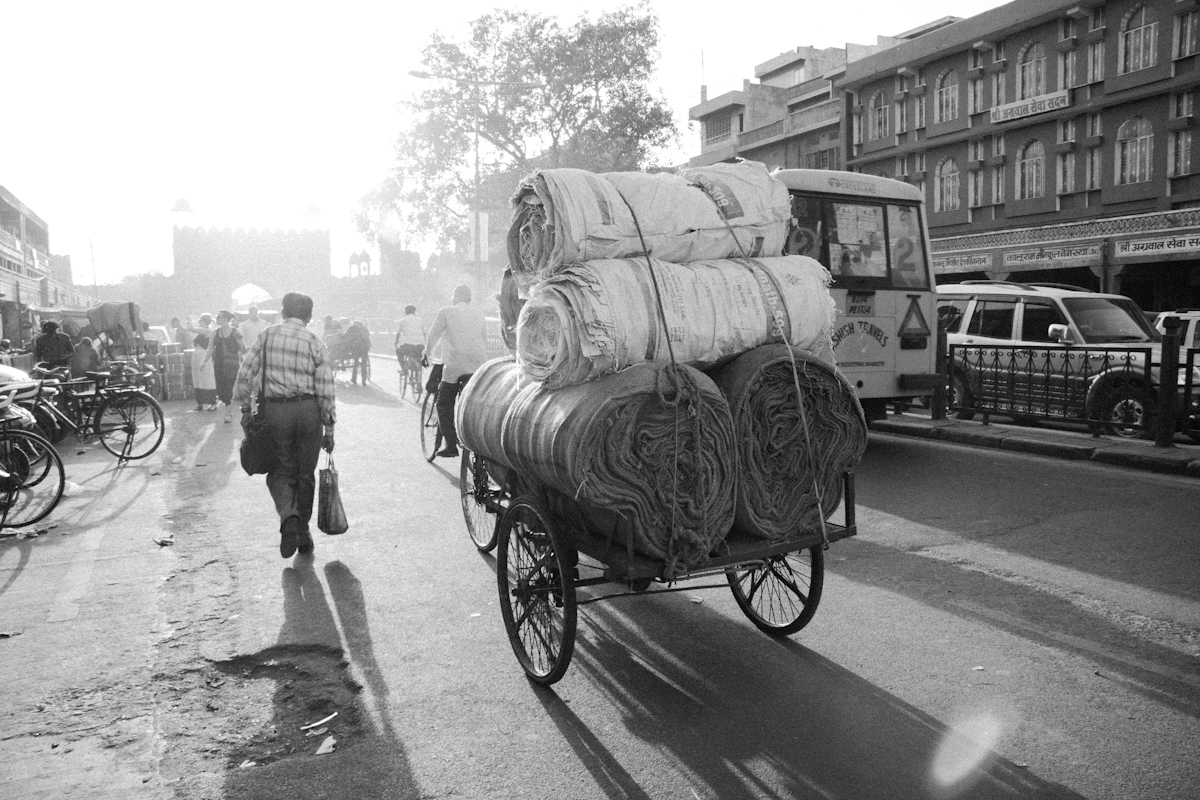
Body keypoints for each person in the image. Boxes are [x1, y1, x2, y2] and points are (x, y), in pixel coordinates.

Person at [234, 292, 336, 559]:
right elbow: (326, 389)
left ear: (282, 312)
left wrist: (246, 408)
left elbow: (245, 373)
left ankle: (289, 517)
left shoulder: (267, 336)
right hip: (308, 412)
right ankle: (302, 531)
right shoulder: (315, 341)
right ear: (309, 316)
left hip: (276, 413)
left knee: (280, 472)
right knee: (305, 475)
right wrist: (330, 429)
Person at [425, 285, 488, 459]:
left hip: (455, 365)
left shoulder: (446, 311)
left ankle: (451, 445)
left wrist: (426, 353)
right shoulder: (479, 313)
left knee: (443, 404)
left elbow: (433, 335)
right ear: (469, 299)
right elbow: (483, 338)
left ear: (454, 298)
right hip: (478, 365)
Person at [204, 310, 246, 423]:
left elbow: (243, 348)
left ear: (227, 319)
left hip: (232, 365)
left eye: (220, 317)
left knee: (228, 389)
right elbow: (210, 348)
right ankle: (229, 405)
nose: (217, 319)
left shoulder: (235, 332)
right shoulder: (215, 333)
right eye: (217, 317)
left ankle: (229, 413)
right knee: (221, 390)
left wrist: (239, 345)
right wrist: (204, 361)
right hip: (218, 364)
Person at [191, 329, 218, 410]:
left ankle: (213, 403)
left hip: (204, 356)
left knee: (207, 380)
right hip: (196, 356)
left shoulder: (208, 331)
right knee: (197, 381)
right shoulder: (199, 333)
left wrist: (190, 324)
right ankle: (200, 403)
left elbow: (192, 328)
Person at [343, 320, 371, 385]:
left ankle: (354, 379)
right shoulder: (364, 329)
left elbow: (346, 335)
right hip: (364, 347)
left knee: (356, 363)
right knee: (364, 364)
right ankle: (363, 381)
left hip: (356, 347)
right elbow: (368, 336)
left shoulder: (352, 328)